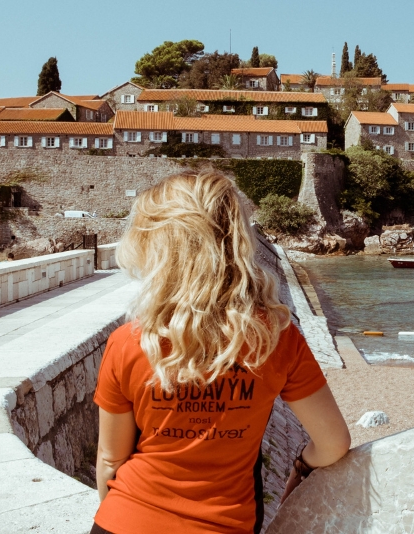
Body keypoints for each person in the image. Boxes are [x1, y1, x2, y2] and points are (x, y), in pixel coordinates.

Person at [92, 170, 350, 534]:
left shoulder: (129, 341)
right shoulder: (275, 336)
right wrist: (301, 467)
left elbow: (109, 460)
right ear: (235, 239)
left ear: (157, 247)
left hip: (125, 519)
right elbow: (334, 442)